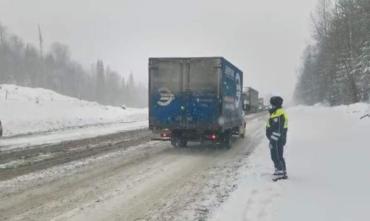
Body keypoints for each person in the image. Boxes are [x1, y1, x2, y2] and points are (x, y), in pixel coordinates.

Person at [266, 96, 288, 180]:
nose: (271, 106)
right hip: (278, 139)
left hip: (276, 139)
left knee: (275, 155)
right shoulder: (277, 112)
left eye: (272, 104)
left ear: (275, 104)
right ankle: (281, 170)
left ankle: (280, 172)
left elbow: (277, 129)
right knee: (279, 155)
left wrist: (272, 140)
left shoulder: (278, 114)